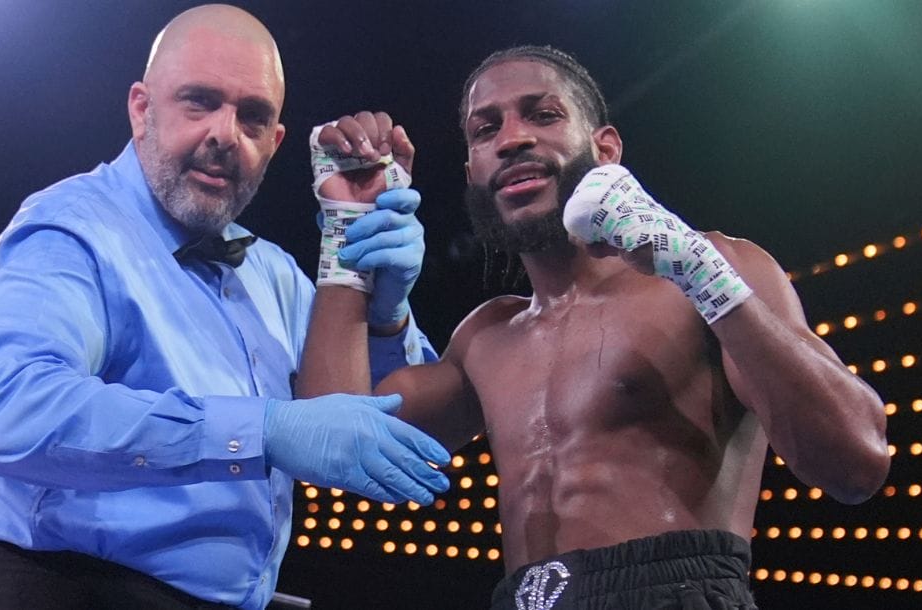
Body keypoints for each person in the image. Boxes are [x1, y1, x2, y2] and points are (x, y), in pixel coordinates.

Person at [298, 45, 890, 610]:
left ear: (605, 148)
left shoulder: (712, 270)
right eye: (486, 129)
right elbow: (336, 439)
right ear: (472, 171)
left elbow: (857, 463)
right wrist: (345, 236)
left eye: (543, 114)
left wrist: (701, 274)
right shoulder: (488, 336)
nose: (512, 139)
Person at [0, 5, 450, 609]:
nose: (223, 134)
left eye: (253, 116)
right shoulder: (70, 229)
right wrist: (262, 430)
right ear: (142, 110)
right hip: (65, 589)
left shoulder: (274, 276)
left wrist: (381, 305)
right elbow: (16, 416)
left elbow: (365, 428)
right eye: (199, 101)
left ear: (275, 143)